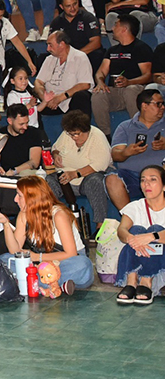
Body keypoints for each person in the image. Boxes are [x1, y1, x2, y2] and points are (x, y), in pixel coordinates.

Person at [0, 176, 94, 293]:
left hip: (64, 261)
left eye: (19, 195)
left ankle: (33, 284)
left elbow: (71, 253)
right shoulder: (23, 214)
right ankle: (53, 285)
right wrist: (6, 225)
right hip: (40, 266)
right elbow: (15, 251)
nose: (15, 199)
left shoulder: (58, 215)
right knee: (2, 260)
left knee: (83, 265)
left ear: (32, 198)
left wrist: (38, 257)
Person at [48, 110, 115, 232]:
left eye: (77, 134)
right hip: (65, 179)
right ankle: (51, 223)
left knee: (96, 180)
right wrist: (56, 155)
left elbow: (100, 164)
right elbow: (55, 147)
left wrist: (75, 173)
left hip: (86, 178)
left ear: (87, 130)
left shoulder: (97, 136)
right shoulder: (67, 134)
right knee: (48, 181)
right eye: (71, 134)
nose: (74, 137)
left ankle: (100, 225)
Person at [92, 15, 153, 138]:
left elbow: (148, 75)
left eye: (116, 25)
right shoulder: (112, 50)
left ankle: (139, 130)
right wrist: (100, 82)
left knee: (131, 90)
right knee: (98, 94)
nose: (113, 28)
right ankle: (105, 135)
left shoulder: (141, 48)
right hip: (115, 91)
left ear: (124, 29)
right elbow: (100, 72)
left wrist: (129, 82)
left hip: (135, 89)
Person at [115, 164, 165, 305]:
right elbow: (122, 230)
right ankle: (131, 282)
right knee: (135, 230)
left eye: (153, 179)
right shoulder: (135, 206)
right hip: (137, 254)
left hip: (161, 262)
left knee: (155, 229)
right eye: (143, 180)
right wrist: (131, 238)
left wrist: (152, 236)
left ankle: (146, 281)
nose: (146, 184)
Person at [110, 89, 165, 213]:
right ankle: (131, 218)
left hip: (161, 174)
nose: (162, 107)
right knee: (112, 179)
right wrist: (127, 152)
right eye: (158, 104)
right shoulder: (125, 126)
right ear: (144, 106)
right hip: (132, 176)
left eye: (163, 104)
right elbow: (115, 154)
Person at [31, 30, 94, 119]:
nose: (48, 49)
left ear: (62, 44)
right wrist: (45, 98)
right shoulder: (49, 59)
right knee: (28, 104)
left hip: (69, 100)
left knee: (81, 96)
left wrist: (61, 97)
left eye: (50, 45)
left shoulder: (80, 57)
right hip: (49, 102)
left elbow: (85, 84)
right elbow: (38, 82)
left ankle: (81, 129)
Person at [49, 0, 104, 72]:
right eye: (68, 6)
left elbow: (96, 42)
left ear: (78, 1)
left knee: (97, 55)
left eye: (74, 4)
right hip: (65, 55)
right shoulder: (56, 22)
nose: (72, 8)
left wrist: (75, 56)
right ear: (61, 6)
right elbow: (51, 45)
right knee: (45, 58)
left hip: (85, 53)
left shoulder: (88, 18)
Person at [0, 104, 42, 175]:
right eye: (21, 124)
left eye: (27, 123)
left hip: (28, 174)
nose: (25, 127)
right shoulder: (0, 135)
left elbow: (34, 162)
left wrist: (14, 171)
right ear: (10, 121)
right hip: (7, 175)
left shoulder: (33, 133)